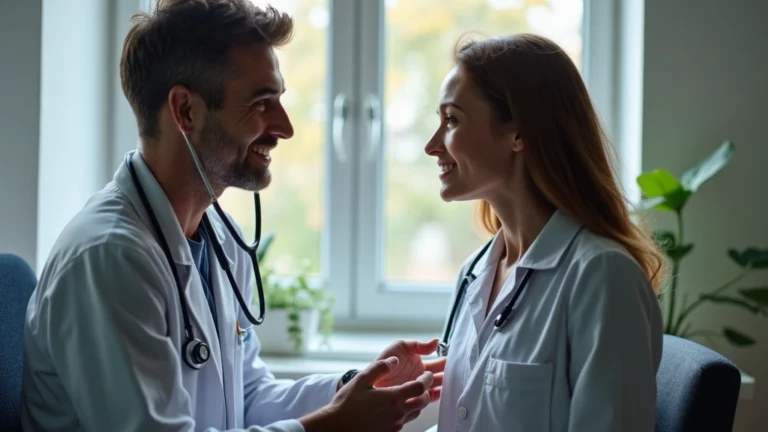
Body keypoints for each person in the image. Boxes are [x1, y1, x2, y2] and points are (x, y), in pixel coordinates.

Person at [21, 1, 445, 431]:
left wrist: (357, 387)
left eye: (279, 100)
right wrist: (334, 425)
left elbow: (247, 397)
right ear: (186, 111)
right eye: (262, 103)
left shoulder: (221, 239)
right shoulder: (108, 259)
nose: (284, 127)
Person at [425, 33, 665, 431]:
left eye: (451, 120)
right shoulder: (475, 272)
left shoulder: (602, 277)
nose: (433, 145)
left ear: (519, 132)